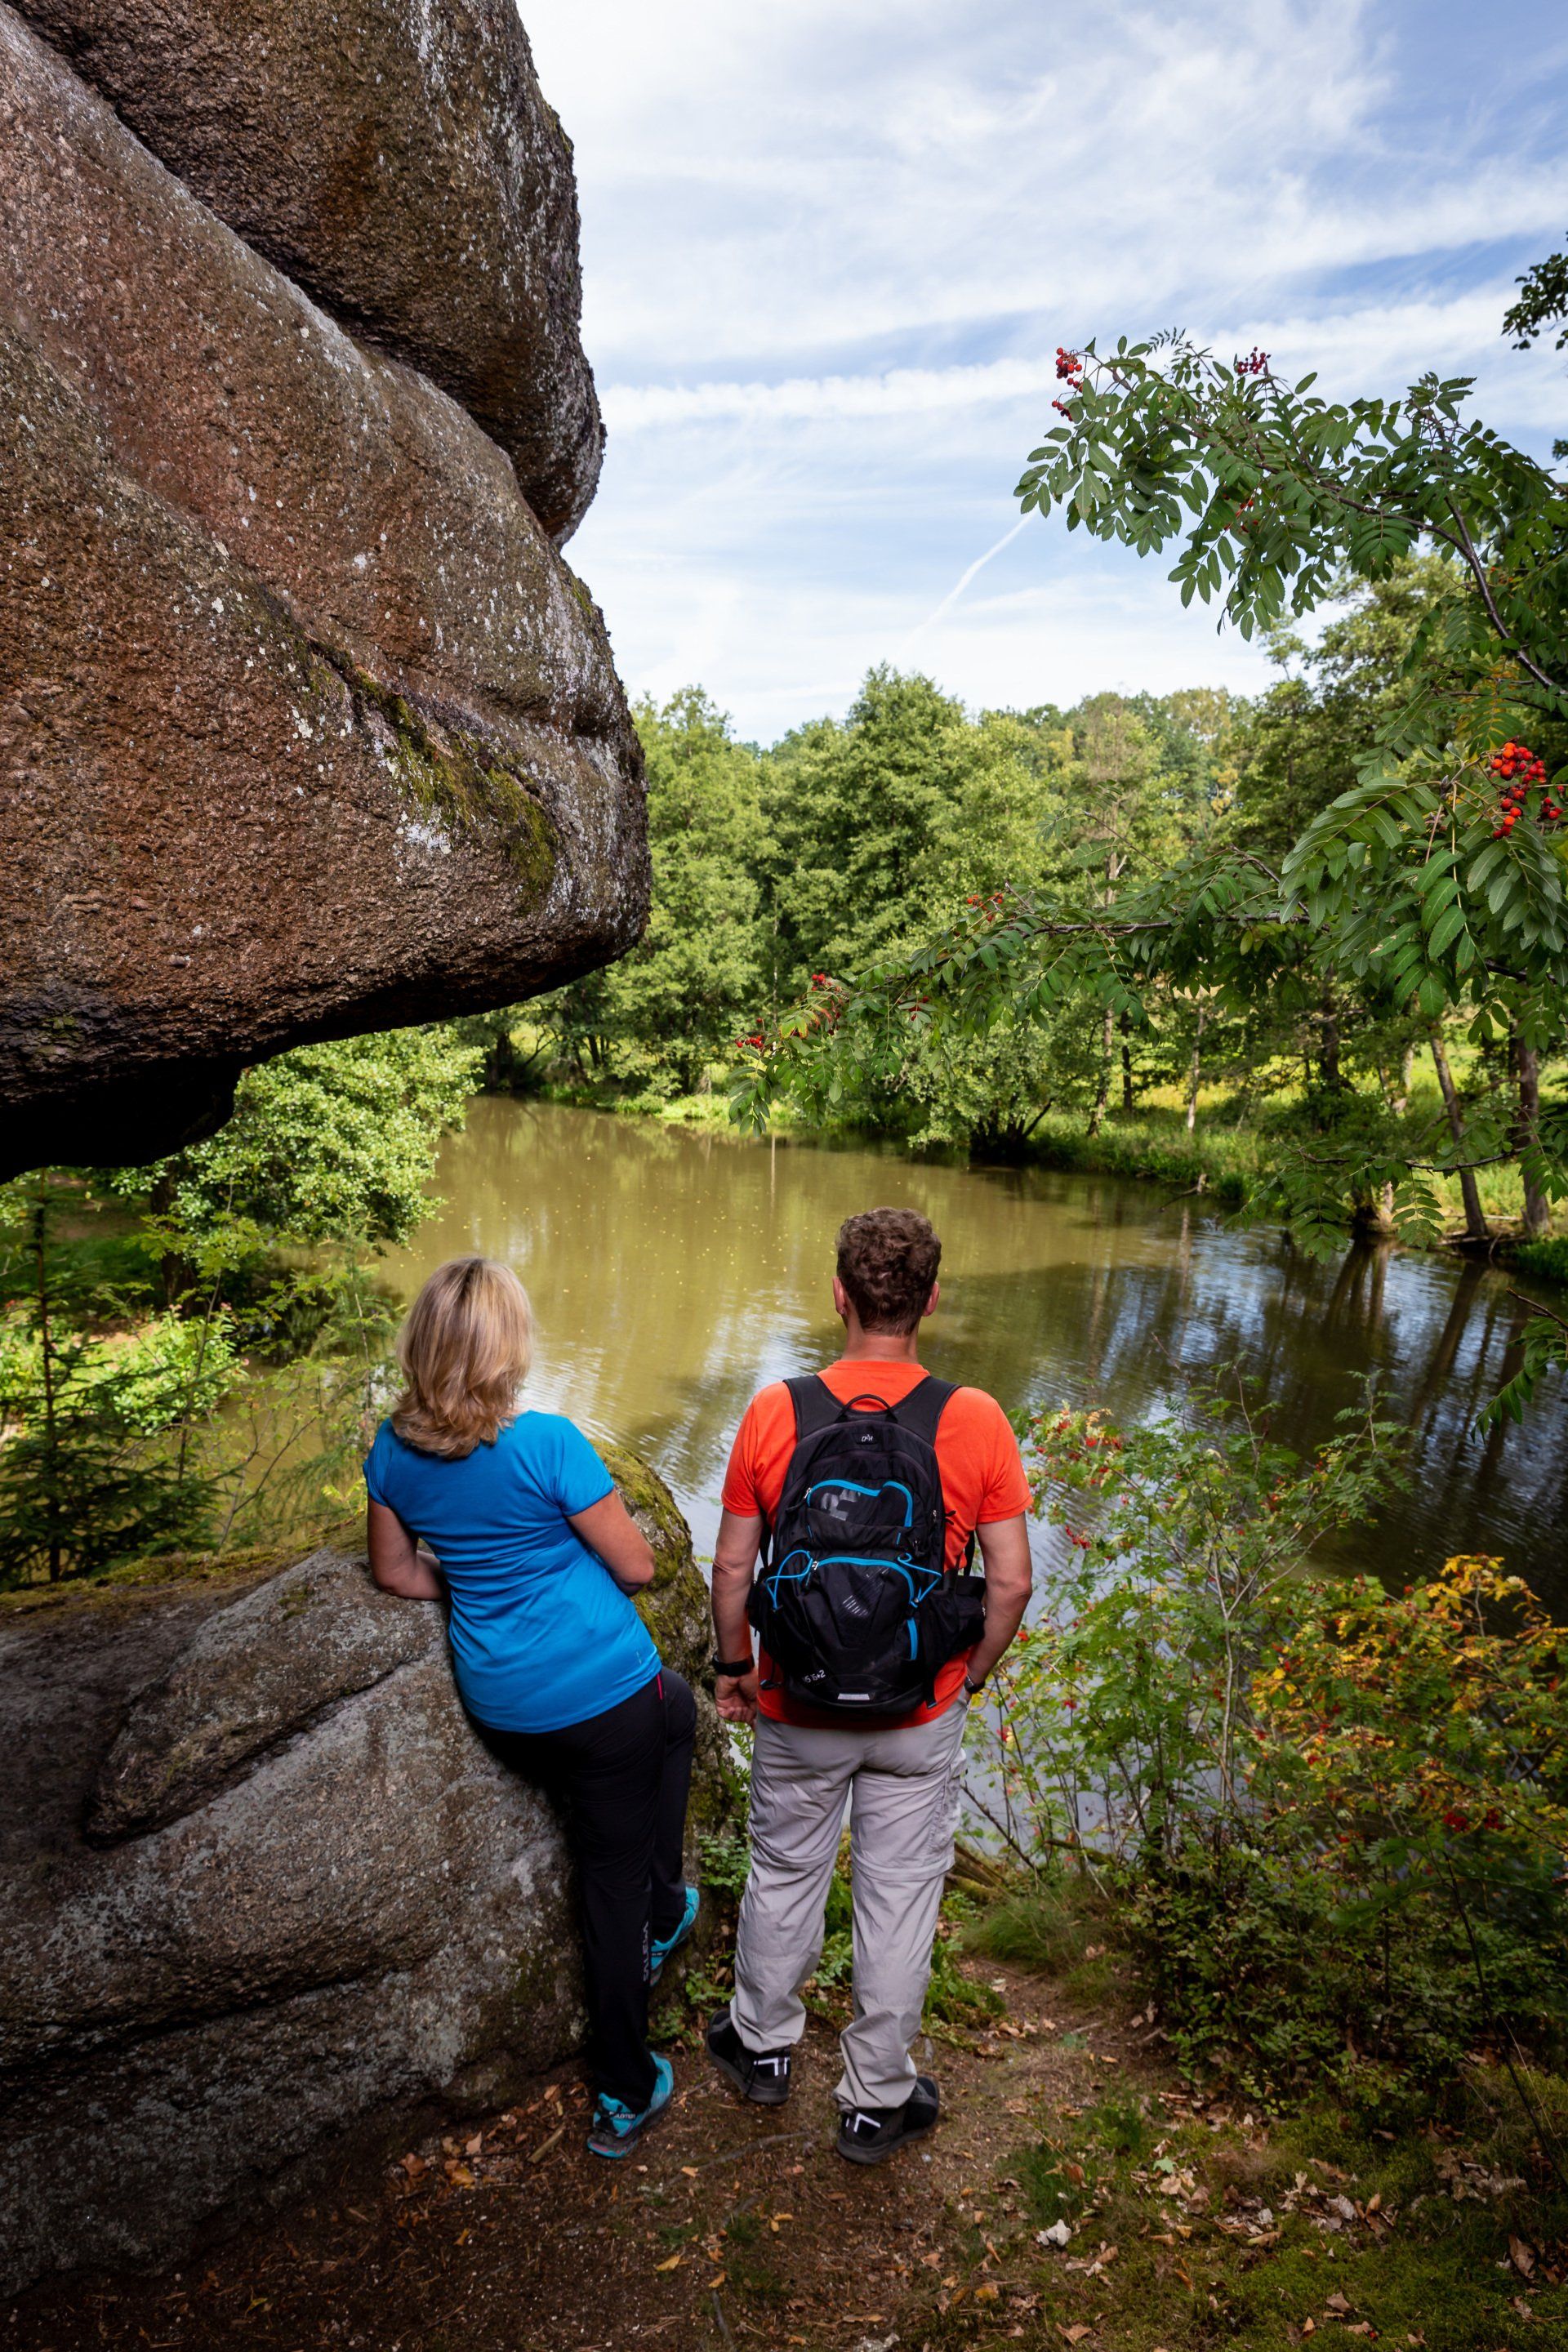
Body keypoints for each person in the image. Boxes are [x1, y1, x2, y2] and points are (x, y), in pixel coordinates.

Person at [706, 1207, 1033, 2163]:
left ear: (839, 1295)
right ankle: (872, 2103)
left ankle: (762, 2051)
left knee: (783, 1873)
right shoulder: (973, 1418)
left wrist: (736, 1673)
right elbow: (1010, 1582)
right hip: (917, 1711)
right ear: (930, 1300)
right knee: (897, 1897)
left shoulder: (778, 1410)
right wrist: (965, 1677)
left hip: (797, 1702)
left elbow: (732, 1571)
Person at [363, 1255, 697, 2159]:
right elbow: (638, 1566)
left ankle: (668, 1905)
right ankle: (627, 2090)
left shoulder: (394, 1452)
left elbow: (395, 1572)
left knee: (682, 1706)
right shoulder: (547, 1442)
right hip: (601, 1699)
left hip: (507, 1710)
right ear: (507, 1351)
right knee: (609, 1886)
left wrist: (477, 1575)